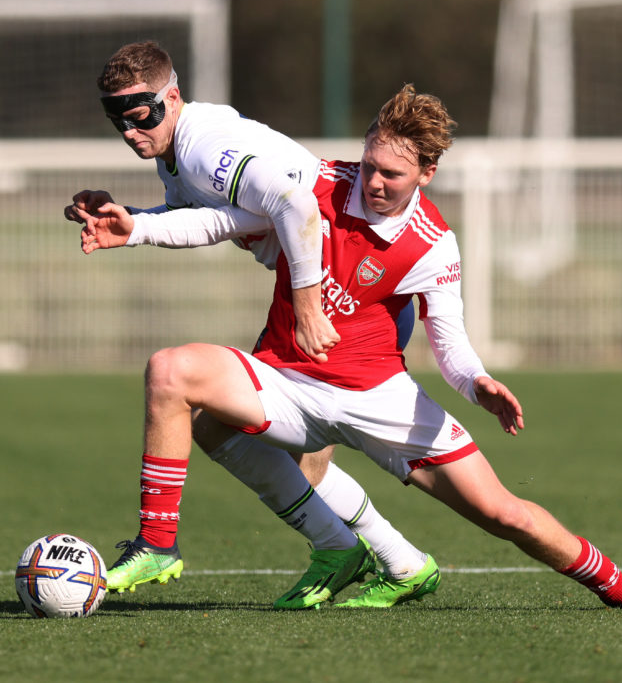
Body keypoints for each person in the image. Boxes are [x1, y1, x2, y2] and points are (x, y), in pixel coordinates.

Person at [79, 83, 622, 611]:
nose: (374, 182)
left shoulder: (434, 244)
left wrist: (478, 382)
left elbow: (451, 345)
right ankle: (171, 544)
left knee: (506, 516)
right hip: (285, 376)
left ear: (427, 173)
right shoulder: (318, 185)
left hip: (379, 401)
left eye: (393, 174)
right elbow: (224, 220)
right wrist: (135, 227)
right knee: (175, 377)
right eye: (371, 164)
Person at [64, 41, 439, 608]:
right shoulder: (182, 149)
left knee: (261, 440)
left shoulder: (202, 148)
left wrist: (310, 305)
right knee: (246, 437)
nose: (128, 129)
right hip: (331, 291)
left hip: (344, 297)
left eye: (139, 115)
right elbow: (225, 216)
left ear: (171, 96)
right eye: (115, 118)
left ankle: (379, 555)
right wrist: (133, 219)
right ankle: (398, 560)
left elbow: (292, 204)